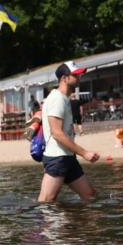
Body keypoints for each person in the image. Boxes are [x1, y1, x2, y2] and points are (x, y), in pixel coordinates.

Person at [38, 61, 99, 202]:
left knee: (90, 196)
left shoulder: (63, 98)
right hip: (57, 158)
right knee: (46, 202)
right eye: (75, 75)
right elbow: (57, 133)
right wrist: (84, 153)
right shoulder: (57, 99)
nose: (79, 78)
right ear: (64, 78)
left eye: (79, 75)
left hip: (68, 157)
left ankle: (75, 217)